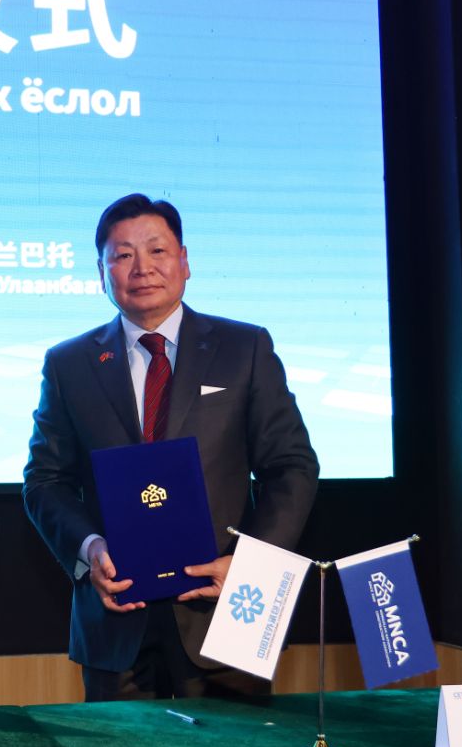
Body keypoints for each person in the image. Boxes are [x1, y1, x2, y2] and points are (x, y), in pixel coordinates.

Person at [23, 194, 318, 701]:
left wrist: (251, 564)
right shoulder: (69, 363)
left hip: (229, 610)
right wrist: (89, 551)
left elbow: (292, 466)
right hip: (116, 619)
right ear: (101, 274)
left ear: (184, 261)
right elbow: (44, 481)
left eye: (157, 250)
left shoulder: (244, 348)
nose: (142, 268)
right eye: (122, 255)